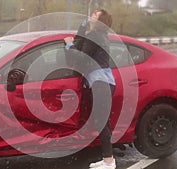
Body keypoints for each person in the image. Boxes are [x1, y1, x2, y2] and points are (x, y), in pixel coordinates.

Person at [64, 9, 116, 169]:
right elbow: (81, 47)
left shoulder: (95, 36)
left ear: (100, 21)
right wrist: (81, 28)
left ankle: (109, 162)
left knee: (101, 122)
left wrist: (69, 45)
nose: (91, 15)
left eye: (95, 14)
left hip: (101, 82)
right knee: (101, 121)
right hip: (101, 82)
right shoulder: (95, 35)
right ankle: (107, 158)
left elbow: (80, 56)